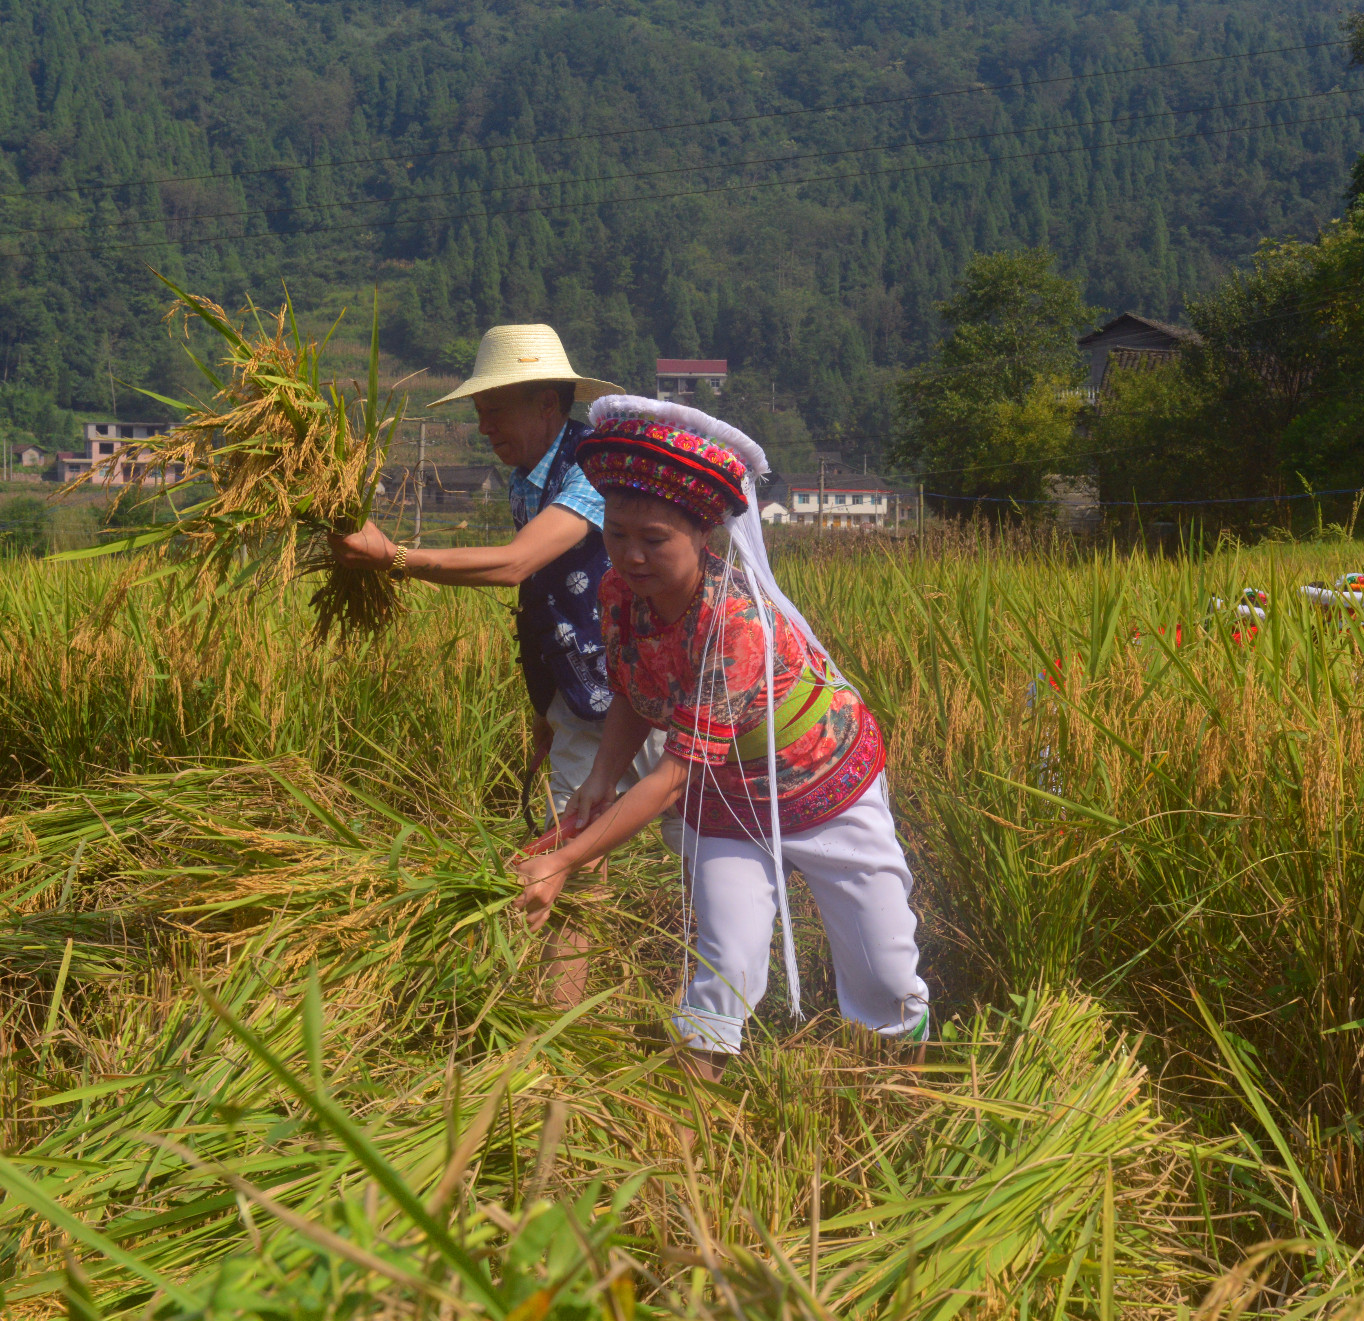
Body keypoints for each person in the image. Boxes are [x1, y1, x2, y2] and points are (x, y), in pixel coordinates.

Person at [511, 395, 930, 1072]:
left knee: (885, 974)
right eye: (617, 534)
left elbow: (671, 777)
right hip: (728, 799)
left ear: (701, 537)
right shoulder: (618, 594)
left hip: (824, 785)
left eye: (654, 540)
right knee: (724, 961)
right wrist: (597, 777)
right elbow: (636, 692)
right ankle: (692, 1123)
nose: (632, 556)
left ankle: (911, 1085)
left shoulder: (734, 623)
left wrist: (563, 860)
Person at [330, 324, 664, 820]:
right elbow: (539, 595)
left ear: (547, 403)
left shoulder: (597, 465)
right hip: (578, 692)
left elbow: (516, 563)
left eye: (496, 411)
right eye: (480, 413)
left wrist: (394, 558)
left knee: (694, 832)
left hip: (646, 688)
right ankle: (584, 898)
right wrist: (546, 705)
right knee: (572, 838)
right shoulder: (523, 481)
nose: (485, 428)